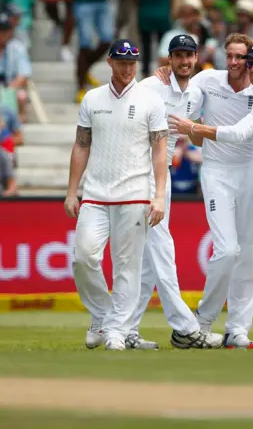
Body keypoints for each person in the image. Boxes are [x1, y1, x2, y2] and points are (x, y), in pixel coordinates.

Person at [169, 42, 253, 350]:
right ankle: (202, 322)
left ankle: (238, 330)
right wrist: (166, 77)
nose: (236, 63)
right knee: (228, 250)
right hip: (218, 172)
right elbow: (183, 96)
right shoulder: (208, 80)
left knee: (250, 257)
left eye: (243, 58)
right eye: (230, 56)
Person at [64, 39, 168, 351]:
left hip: (135, 194)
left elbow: (160, 150)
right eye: (122, 62)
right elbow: (82, 145)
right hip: (95, 193)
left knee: (127, 267)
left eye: (132, 62)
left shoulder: (150, 100)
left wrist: (159, 196)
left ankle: (116, 332)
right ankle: (103, 317)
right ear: (110, 62)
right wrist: (72, 192)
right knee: (83, 257)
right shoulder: (93, 98)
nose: (127, 68)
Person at [125, 34, 223, 350]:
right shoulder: (151, 87)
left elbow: (194, 138)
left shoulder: (193, 93)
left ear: (196, 59)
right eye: (178, 56)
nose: (183, 61)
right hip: (140, 176)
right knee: (162, 251)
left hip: (161, 175)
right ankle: (184, 327)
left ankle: (124, 328)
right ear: (169, 59)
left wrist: (192, 129)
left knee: (148, 263)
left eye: (188, 56)